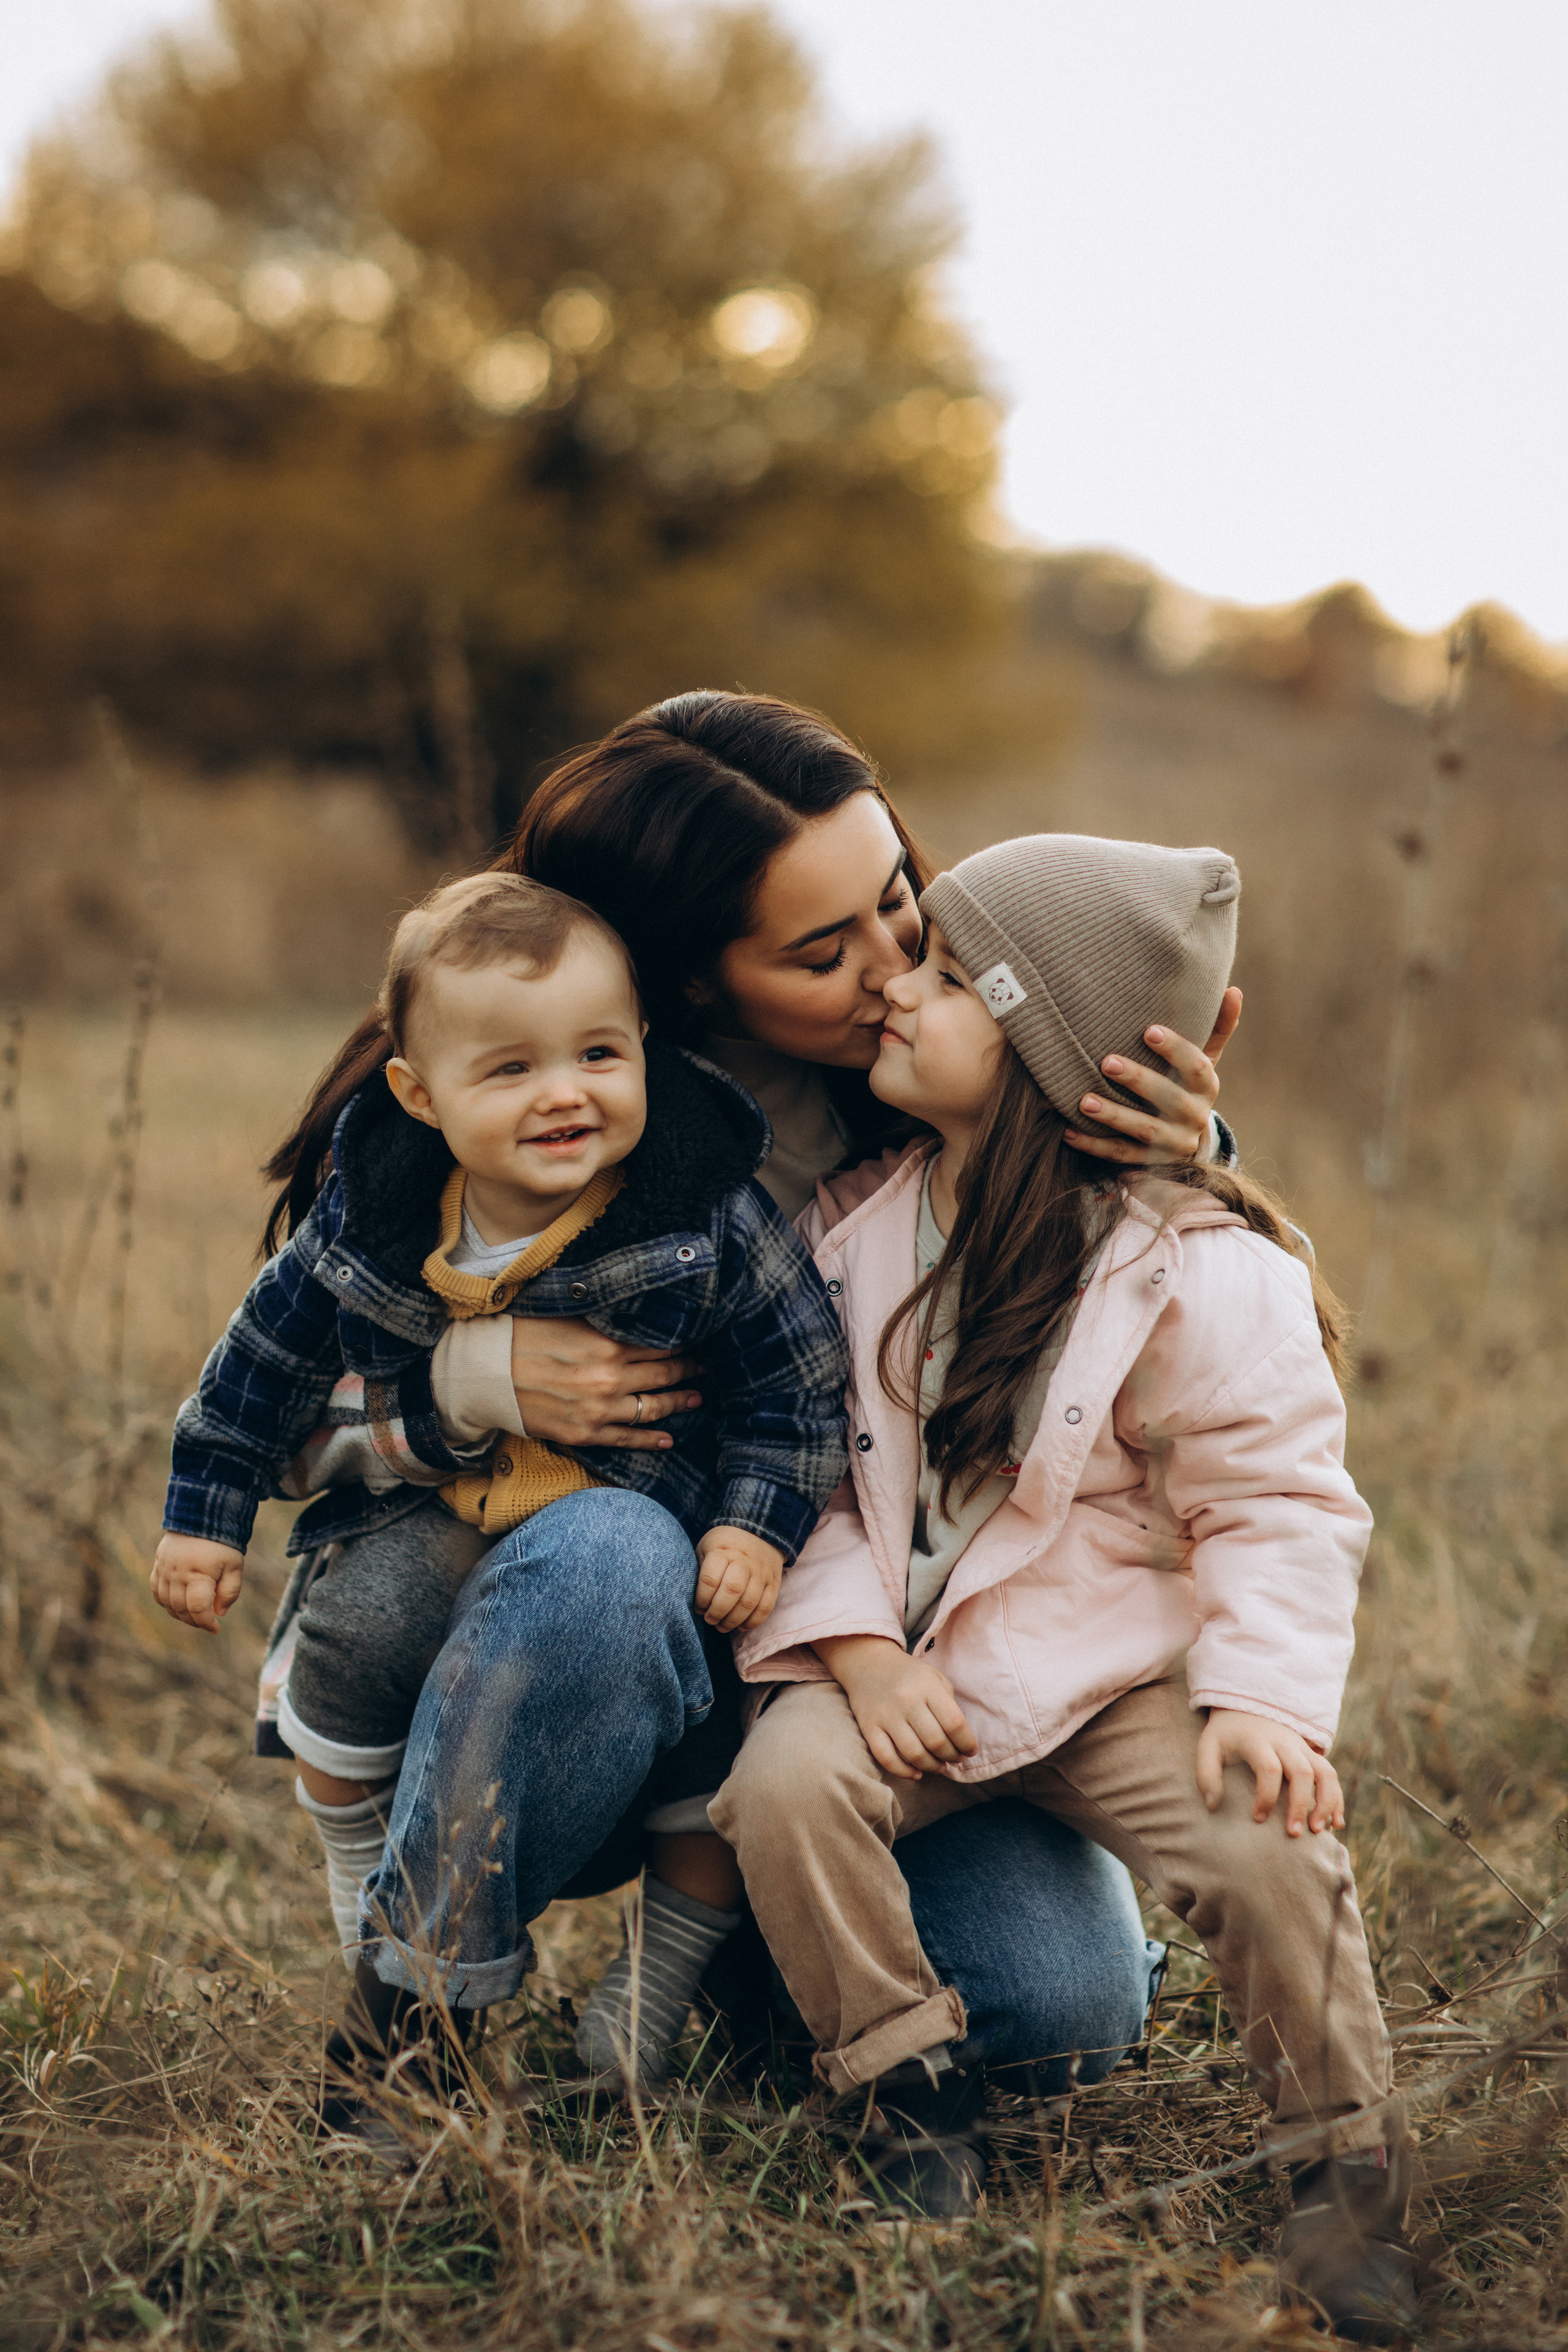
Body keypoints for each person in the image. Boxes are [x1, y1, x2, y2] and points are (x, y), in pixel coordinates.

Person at [258, 692, 1237, 2122]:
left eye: (899, 902)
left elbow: (1216, 1360)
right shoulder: (512, 1094)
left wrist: (1186, 1155)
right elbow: (260, 1431)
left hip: (839, 1673)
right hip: (545, 1640)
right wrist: (465, 1382)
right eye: (821, 951)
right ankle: (419, 2007)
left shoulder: (953, 1076)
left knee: (1052, 2019)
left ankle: (725, 1960)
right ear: (688, 984)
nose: (898, 968)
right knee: (609, 1556)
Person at [712, 833, 1415, 2339]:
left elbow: (1273, 1499)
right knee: (780, 1794)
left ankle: (1338, 2172)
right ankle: (903, 2094)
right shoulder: (855, 1234)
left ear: (1043, 1048)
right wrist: (855, 1656)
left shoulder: (1194, 1265)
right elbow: (810, 1478)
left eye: (952, 978)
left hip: (1102, 1680)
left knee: (1267, 1845)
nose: (898, 989)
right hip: (906, 1673)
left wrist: (1261, 1700)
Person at [151, 870, 849, 2096]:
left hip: (647, 1568)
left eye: (596, 1052)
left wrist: (753, 1525)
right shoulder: (372, 1215)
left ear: (644, 1048)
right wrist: (203, 1519)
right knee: (356, 1622)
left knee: (708, 1756)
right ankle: (375, 1897)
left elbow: (798, 1385)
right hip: (435, 1528)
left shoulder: (700, 1211)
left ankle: (660, 1975)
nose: (565, 1093)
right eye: (510, 1069)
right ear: (418, 1096)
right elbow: (255, 1368)